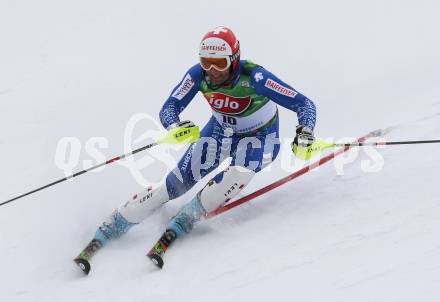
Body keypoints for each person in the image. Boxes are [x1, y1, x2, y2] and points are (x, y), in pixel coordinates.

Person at [74, 26, 317, 273]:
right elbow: (170, 106)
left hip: (261, 138)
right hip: (221, 132)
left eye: (218, 64)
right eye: (205, 62)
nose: (212, 72)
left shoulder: (256, 78)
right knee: (174, 184)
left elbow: (304, 104)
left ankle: (187, 216)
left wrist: (305, 132)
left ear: (233, 60)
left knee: (237, 174)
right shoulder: (198, 75)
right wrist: (175, 126)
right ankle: (115, 223)